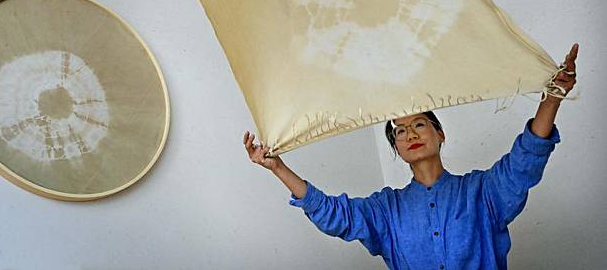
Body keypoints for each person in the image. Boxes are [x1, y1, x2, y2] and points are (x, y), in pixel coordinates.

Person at [243, 43, 579, 269]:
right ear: (397, 149)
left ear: (440, 134)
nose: (410, 133)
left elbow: (524, 161)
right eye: (400, 131)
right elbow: (335, 214)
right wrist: (278, 167)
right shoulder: (385, 210)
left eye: (419, 123)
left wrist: (552, 99)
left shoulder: (482, 192)